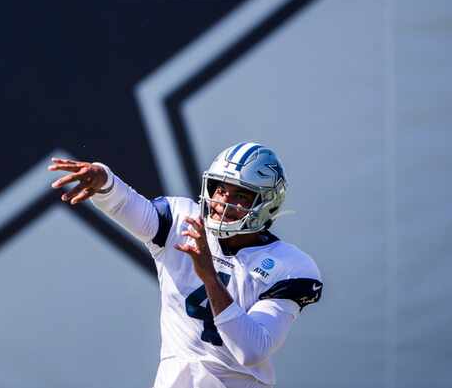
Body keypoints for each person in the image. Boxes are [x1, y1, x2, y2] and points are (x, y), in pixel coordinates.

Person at [49, 142, 322, 388]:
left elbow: (251, 350)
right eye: (221, 188)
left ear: (267, 205)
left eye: (241, 196)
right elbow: (125, 204)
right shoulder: (181, 220)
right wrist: (104, 181)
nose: (223, 202)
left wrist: (209, 277)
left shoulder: (289, 266)